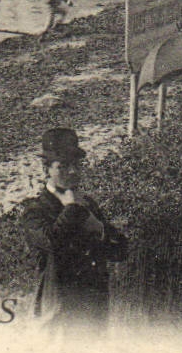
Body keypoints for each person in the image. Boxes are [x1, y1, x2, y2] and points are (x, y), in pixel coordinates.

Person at [19, 128, 127, 333]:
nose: (72, 172)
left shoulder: (88, 205)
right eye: (63, 166)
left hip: (94, 311)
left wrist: (100, 229)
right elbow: (51, 243)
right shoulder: (36, 210)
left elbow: (121, 250)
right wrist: (72, 210)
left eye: (76, 165)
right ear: (46, 170)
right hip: (57, 314)